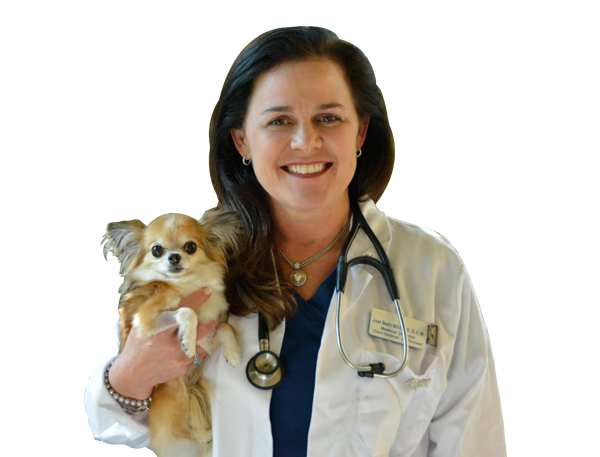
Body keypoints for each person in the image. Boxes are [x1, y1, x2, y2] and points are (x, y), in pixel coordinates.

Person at [85, 27, 506, 457]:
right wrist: (130, 379)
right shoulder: (198, 258)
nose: (306, 141)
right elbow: (114, 423)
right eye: (279, 121)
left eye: (329, 118)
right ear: (242, 140)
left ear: (360, 132)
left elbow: (474, 439)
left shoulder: (432, 269)